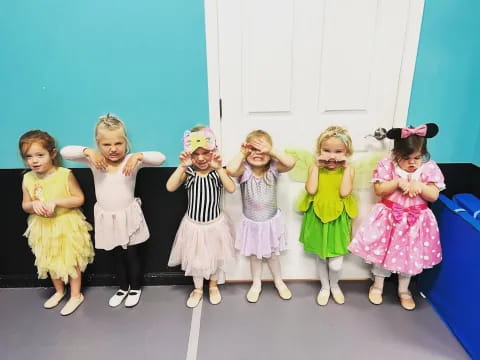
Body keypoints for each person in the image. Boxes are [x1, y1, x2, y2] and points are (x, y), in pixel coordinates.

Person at [61, 114, 165, 308]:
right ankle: (122, 287)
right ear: (98, 144)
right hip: (106, 217)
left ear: (126, 142)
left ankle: (135, 287)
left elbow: (160, 158)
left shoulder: (131, 161)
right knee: (116, 254)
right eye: (106, 144)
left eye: (118, 143)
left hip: (129, 216)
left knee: (132, 254)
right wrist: (87, 151)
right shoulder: (94, 161)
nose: (113, 149)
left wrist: (139, 156)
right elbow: (65, 151)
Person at [348, 123, 444, 310]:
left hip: (414, 223)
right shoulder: (387, 166)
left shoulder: (428, 169)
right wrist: (397, 182)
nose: (412, 163)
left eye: (417, 158)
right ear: (396, 155)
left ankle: (404, 290)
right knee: (383, 253)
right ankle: (378, 285)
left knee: (410, 255)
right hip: (390, 218)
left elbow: (434, 195)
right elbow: (379, 189)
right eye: (406, 158)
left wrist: (421, 186)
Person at [20, 130, 94, 315]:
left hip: (66, 224)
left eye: (40, 155)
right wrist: (33, 204)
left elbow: (79, 199)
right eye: (28, 156)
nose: (34, 161)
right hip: (43, 227)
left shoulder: (64, 174)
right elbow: (25, 205)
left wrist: (57, 202)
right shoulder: (27, 178)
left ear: (52, 154)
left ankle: (76, 295)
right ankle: (60, 291)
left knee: (72, 260)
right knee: (49, 260)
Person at [167, 126, 235, 308]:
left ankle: (213, 285)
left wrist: (220, 168)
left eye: (206, 153)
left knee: (215, 256)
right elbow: (170, 187)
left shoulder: (216, 173)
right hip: (193, 226)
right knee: (196, 258)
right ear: (190, 154)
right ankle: (197, 288)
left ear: (213, 152)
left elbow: (231, 188)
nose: (201, 158)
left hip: (215, 225)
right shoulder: (188, 173)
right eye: (196, 154)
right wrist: (182, 166)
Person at [227, 129, 296, 302]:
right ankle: (256, 283)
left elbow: (291, 163)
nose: (258, 154)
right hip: (251, 223)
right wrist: (242, 153)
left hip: (271, 222)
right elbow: (230, 169)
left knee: (273, 255)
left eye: (262, 150)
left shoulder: (273, 167)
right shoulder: (244, 170)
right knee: (254, 256)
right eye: (253, 149)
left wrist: (271, 151)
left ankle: (278, 281)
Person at [298, 126, 357, 306]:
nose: (332, 156)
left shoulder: (349, 170)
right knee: (321, 257)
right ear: (319, 151)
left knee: (336, 263)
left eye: (338, 151)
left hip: (338, 219)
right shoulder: (314, 167)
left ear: (347, 152)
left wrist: (346, 168)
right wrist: (316, 166)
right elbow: (311, 189)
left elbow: (345, 192)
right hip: (318, 216)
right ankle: (325, 287)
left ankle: (335, 285)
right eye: (326, 150)